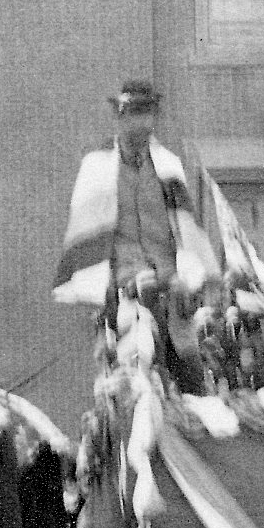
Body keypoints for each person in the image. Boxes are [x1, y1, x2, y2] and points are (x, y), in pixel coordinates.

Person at [51, 79, 218, 388]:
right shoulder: (97, 169)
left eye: (149, 115)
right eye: (136, 114)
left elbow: (186, 231)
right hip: (125, 299)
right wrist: (118, 285)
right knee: (130, 392)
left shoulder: (168, 167)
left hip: (171, 296)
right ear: (120, 117)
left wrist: (186, 276)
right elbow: (87, 243)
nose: (144, 123)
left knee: (194, 384)